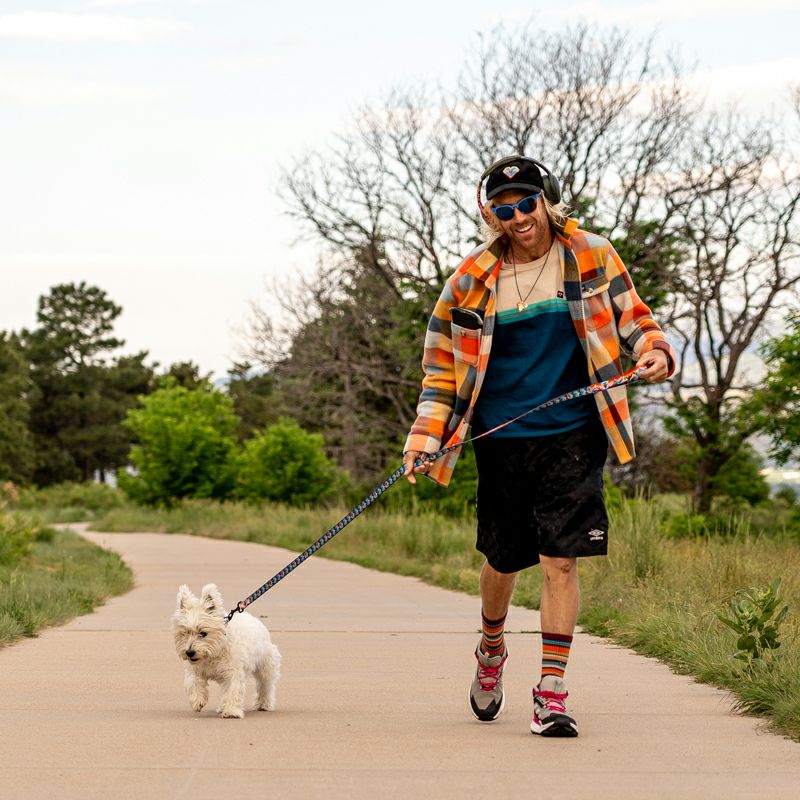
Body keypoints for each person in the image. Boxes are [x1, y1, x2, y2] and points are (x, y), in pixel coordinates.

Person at [402, 155, 675, 737]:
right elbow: (441, 373)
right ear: (490, 216)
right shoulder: (468, 282)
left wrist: (653, 348)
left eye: (527, 203)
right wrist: (424, 439)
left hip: (574, 432)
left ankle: (551, 691)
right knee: (503, 560)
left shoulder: (591, 254)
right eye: (504, 209)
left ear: (546, 202)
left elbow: (634, 317)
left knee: (560, 559)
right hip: (501, 437)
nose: (519, 217)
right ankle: (491, 647)